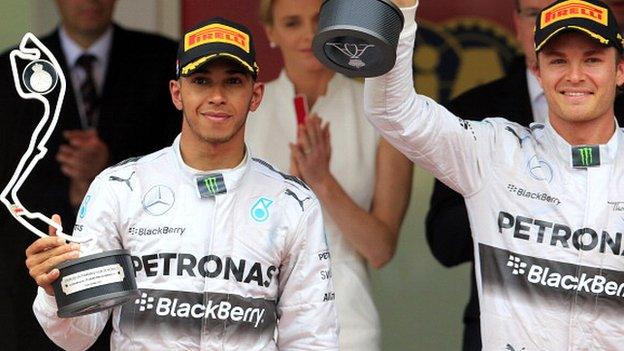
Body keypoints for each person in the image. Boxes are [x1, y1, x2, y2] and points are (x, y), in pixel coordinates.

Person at [24, 16, 339, 350]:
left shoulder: (291, 203)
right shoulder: (121, 188)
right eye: (201, 81)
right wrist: (52, 288)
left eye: (233, 82)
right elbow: (77, 336)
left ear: (255, 95)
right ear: (177, 93)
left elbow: (311, 338)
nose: (217, 96)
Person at [367, 0, 624, 349]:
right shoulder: (494, 152)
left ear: (619, 70)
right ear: (537, 70)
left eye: (592, 59)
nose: (574, 75)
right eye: (558, 60)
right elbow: (391, 111)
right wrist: (402, 11)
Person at [0, 1, 180, 350]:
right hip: (30, 278)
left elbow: (178, 160)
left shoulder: (160, 59)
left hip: (138, 275)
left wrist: (105, 168)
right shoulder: (10, 70)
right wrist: (69, 191)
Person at [246, 0, 413, 349]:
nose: (308, 34)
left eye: (318, 20)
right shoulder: (244, 112)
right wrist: (291, 193)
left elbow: (380, 249)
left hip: (346, 319)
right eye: (292, 23)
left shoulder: (381, 113)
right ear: (271, 32)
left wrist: (322, 181)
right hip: (251, 311)